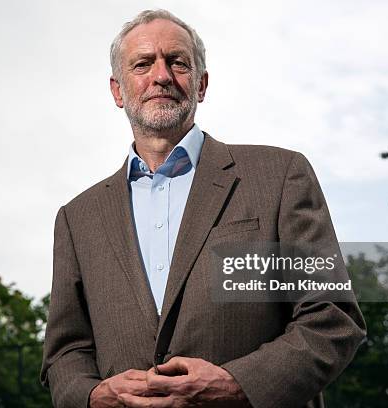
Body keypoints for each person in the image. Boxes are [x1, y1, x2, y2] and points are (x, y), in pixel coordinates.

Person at [40, 9, 366, 408]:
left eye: (177, 62)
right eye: (143, 64)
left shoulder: (279, 176)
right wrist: (92, 395)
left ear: (201, 84)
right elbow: (64, 353)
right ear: (118, 90)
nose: (161, 76)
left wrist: (237, 384)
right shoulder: (78, 218)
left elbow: (331, 317)